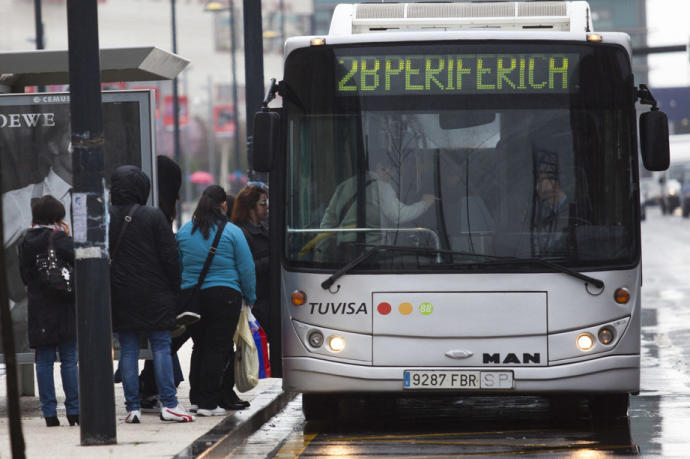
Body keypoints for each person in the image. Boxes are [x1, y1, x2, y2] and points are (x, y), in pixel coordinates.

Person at [109, 165, 194, 423]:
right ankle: (168, 403)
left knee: (129, 350)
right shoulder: (154, 216)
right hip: (155, 294)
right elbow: (170, 257)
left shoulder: (105, 217)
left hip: (121, 294)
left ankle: (132, 407)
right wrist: (175, 288)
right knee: (161, 346)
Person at [177, 185, 256, 416]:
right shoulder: (232, 232)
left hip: (193, 296)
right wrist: (250, 297)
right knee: (218, 348)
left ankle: (196, 397)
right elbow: (246, 268)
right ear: (223, 205)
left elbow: (178, 266)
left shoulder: (184, 232)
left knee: (200, 346)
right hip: (225, 296)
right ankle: (209, 403)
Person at [17, 195, 79, 427]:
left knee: (43, 361)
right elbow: (77, 262)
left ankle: (49, 414)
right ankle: (74, 411)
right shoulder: (60, 238)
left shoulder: (26, 240)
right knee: (69, 360)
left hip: (39, 307)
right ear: (57, 216)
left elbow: (25, 275)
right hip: (63, 305)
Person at [316, 152, 435, 258]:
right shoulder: (382, 187)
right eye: (391, 169)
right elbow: (399, 215)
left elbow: (328, 221)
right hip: (372, 253)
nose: (392, 174)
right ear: (380, 167)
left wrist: (319, 250)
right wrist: (424, 204)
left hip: (344, 252)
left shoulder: (344, 185)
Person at [231, 184, 270, 336]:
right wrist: (271, 260)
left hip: (265, 298)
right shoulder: (241, 233)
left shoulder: (263, 230)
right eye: (263, 204)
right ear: (250, 208)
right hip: (254, 301)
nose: (267, 207)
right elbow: (247, 267)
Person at [533, 154, 570, 255]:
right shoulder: (542, 211)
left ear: (555, 182)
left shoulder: (572, 211)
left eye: (540, 181)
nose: (537, 187)